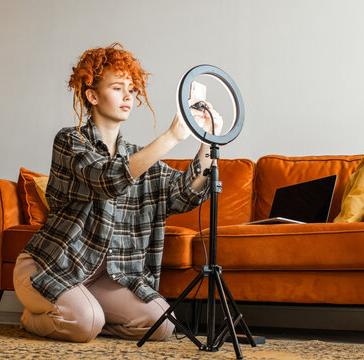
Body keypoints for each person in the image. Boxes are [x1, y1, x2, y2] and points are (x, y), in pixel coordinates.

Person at [12, 43, 223, 343]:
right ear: (93, 96)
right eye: (117, 87)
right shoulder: (70, 141)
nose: (128, 96)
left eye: (131, 89)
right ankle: (45, 318)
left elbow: (185, 193)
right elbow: (108, 179)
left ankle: (86, 319)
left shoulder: (140, 158)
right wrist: (172, 137)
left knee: (162, 325)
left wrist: (208, 142)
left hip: (103, 279)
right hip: (48, 266)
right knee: (85, 322)